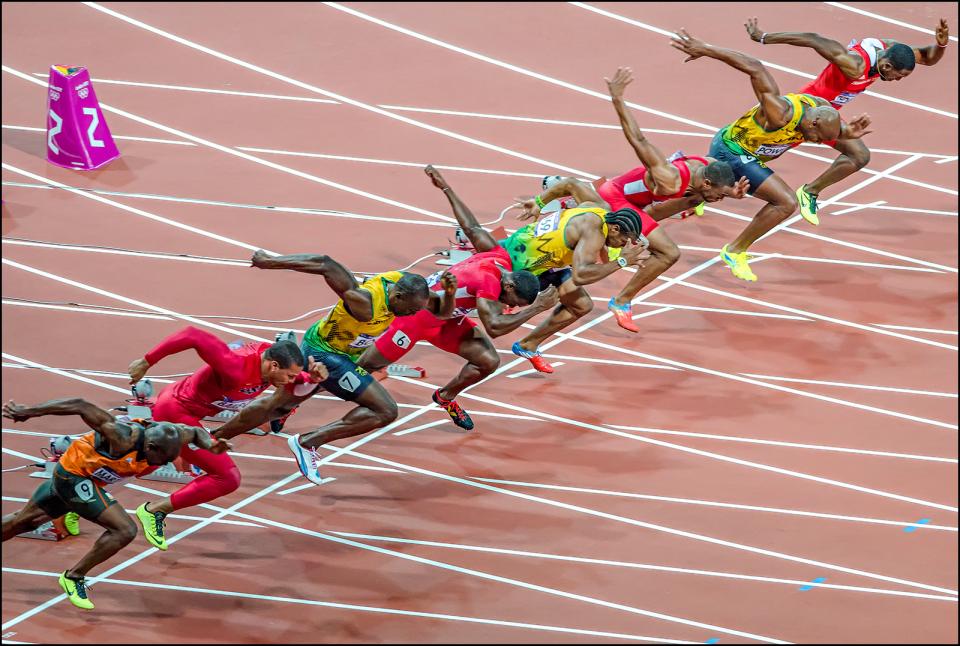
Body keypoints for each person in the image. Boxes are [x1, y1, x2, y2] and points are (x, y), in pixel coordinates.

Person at [355, 165, 561, 432]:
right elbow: (495, 328)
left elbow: (471, 225)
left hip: (448, 319)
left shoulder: (498, 257)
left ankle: (445, 397)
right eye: (515, 302)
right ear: (509, 286)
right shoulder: (487, 283)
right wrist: (539, 308)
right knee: (363, 368)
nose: (511, 306)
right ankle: (293, 399)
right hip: (417, 318)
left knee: (488, 361)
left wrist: (445, 187)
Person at [545, 67, 748, 330]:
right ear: (707, 182)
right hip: (616, 197)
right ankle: (622, 300)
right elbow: (638, 139)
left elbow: (708, 189)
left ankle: (576, 209)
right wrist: (618, 99)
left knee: (694, 201)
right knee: (669, 253)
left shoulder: (708, 167)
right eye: (719, 195)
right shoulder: (668, 177)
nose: (719, 200)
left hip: (640, 202)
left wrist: (731, 191)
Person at [670, 29, 873, 282]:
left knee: (695, 196)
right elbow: (756, 67)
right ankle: (735, 250)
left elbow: (833, 130)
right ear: (811, 124)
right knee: (785, 202)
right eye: (816, 138)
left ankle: (685, 174)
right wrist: (706, 49)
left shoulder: (821, 116)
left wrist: (848, 131)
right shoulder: (779, 112)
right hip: (732, 149)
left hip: (745, 156)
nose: (817, 143)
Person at [229, 252, 448, 484]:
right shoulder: (366, 303)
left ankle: (211, 439)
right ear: (399, 296)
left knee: (277, 407)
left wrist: (451, 293)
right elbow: (325, 263)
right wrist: (269, 262)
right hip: (324, 354)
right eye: (412, 310)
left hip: (338, 351)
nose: (413, 315)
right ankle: (307, 443)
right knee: (385, 411)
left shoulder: (406, 284)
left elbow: (442, 312)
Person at [2, 397, 230, 610]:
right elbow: (79, 404)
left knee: (23, 523)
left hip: (85, 481)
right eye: (162, 460)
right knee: (124, 530)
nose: (163, 465)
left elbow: (195, 433)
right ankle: (73, 577)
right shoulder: (121, 436)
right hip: (73, 477)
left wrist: (210, 446)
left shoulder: (173, 435)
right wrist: (28, 412)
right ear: (150, 447)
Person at [127, 329, 327, 551]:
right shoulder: (236, 366)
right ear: (274, 366)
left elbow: (300, 382)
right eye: (289, 376)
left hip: (190, 415)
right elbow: (193, 335)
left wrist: (313, 380)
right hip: (175, 411)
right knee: (227, 477)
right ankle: (154, 509)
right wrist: (146, 361)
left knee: (139, 466)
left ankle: (85, 494)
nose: (291, 381)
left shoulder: (272, 366)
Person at [744, 17, 951, 222]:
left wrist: (941, 44)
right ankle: (713, 178)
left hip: (828, 117)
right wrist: (763, 37)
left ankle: (809, 192)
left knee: (859, 155)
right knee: (755, 156)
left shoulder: (893, 51)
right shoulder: (855, 64)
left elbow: (927, 57)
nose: (898, 80)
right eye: (899, 76)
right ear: (886, 66)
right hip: (807, 115)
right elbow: (813, 39)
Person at [495, 175, 650, 372]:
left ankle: (528, 345)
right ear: (615, 228)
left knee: (581, 305)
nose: (623, 245)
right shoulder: (593, 233)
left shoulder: (599, 206)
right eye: (623, 240)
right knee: (487, 313)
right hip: (515, 265)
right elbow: (581, 275)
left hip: (541, 258)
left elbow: (571, 183)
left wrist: (539, 201)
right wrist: (622, 261)